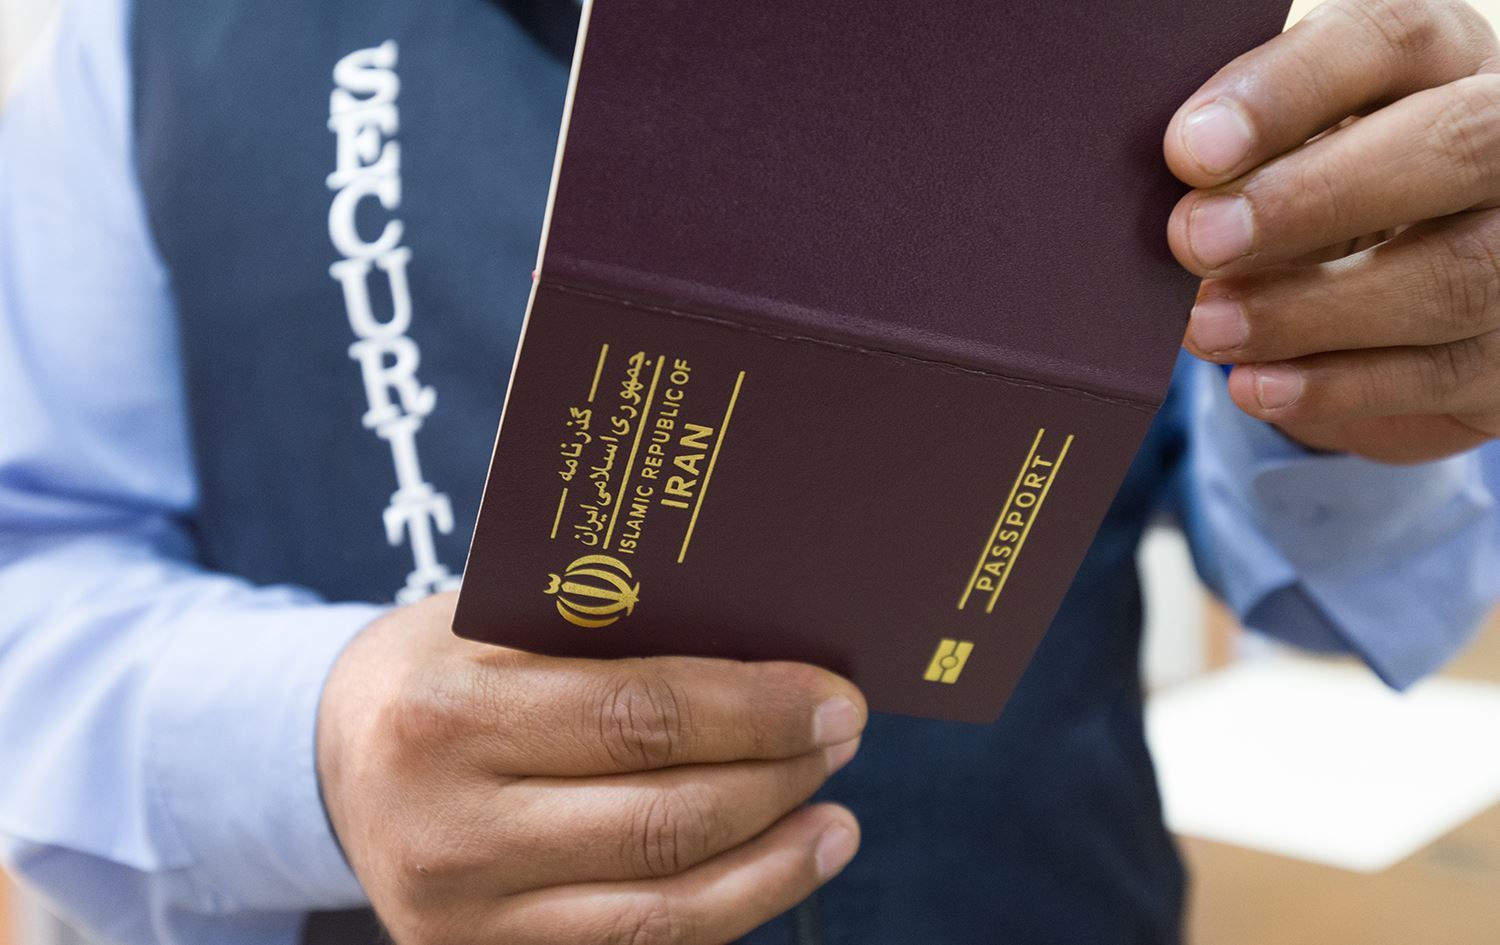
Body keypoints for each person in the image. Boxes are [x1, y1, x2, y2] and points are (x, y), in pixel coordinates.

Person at [2, 0, 1499, 943]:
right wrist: (317, 745)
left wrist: (1359, 369)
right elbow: (27, 575)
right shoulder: (139, 52)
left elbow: (1338, 585)